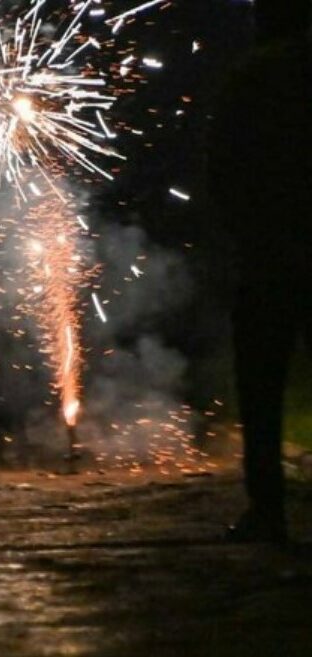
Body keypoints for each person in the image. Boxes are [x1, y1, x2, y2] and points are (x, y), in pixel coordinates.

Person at [207, 0, 312, 543]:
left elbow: (222, 166)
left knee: (262, 390)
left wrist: (242, 233)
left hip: (268, 257)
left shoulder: (252, 77)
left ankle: (267, 511)